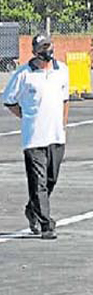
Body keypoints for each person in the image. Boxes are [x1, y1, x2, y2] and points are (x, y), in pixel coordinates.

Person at [2, 33, 70, 239]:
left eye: (50, 46)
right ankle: (46, 224)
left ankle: (33, 209)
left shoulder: (62, 71)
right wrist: (25, 116)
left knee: (51, 179)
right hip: (34, 138)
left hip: (56, 136)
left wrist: (63, 125)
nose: (48, 50)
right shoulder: (24, 74)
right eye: (44, 47)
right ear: (36, 51)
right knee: (38, 181)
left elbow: (65, 99)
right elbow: (9, 99)